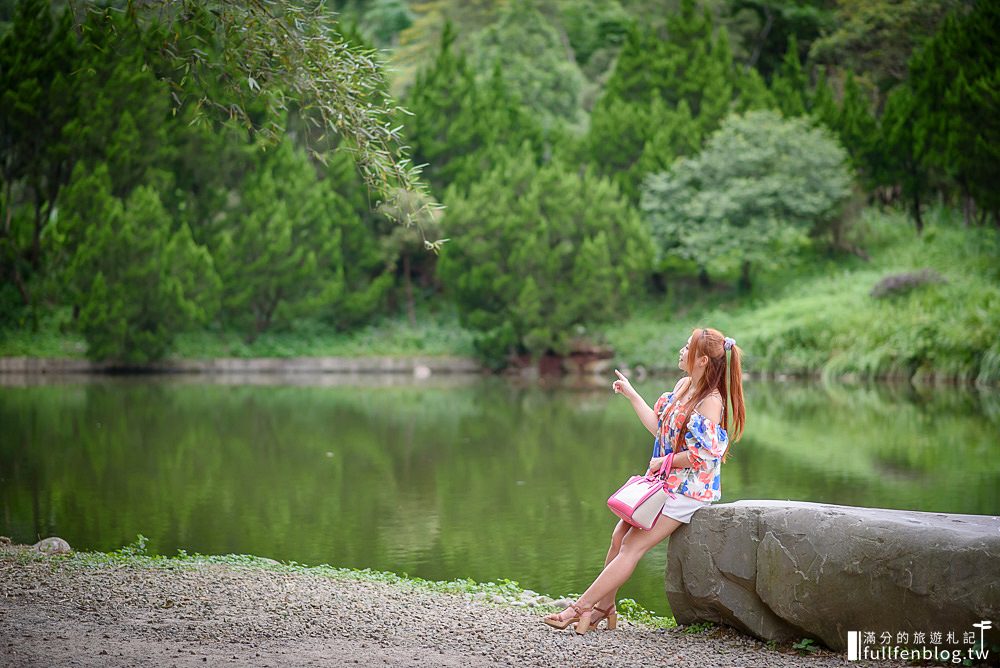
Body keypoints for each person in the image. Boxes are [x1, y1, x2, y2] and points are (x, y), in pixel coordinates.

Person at [542, 327, 746, 634]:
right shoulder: (682, 386)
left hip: (688, 490)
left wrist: (662, 461)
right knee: (618, 536)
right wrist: (633, 395)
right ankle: (604, 608)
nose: (681, 350)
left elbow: (701, 456)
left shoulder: (711, 401)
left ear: (702, 359)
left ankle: (579, 608)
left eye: (687, 347)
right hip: (662, 482)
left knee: (632, 545)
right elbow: (659, 428)